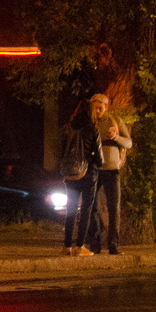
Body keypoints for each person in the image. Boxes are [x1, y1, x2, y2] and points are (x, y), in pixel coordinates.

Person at [89, 93, 132, 254]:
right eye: (95, 107)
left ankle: (113, 244)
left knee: (114, 208)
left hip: (112, 170)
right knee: (92, 207)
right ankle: (95, 243)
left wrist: (116, 137)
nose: (97, 110)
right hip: (93, 170)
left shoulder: (115, 121)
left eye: (100, 108)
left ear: (106, 107)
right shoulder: (89, 122)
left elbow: (129, 142)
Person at [60, 100, 102, 256]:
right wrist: (98, 163)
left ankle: (66, 247)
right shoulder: (92, 128)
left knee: (70, 209)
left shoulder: (67, 127)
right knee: (86, 210)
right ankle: (80, 247)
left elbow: (62, 150)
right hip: (88, 173)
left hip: (70, 173)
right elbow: (99, 156)